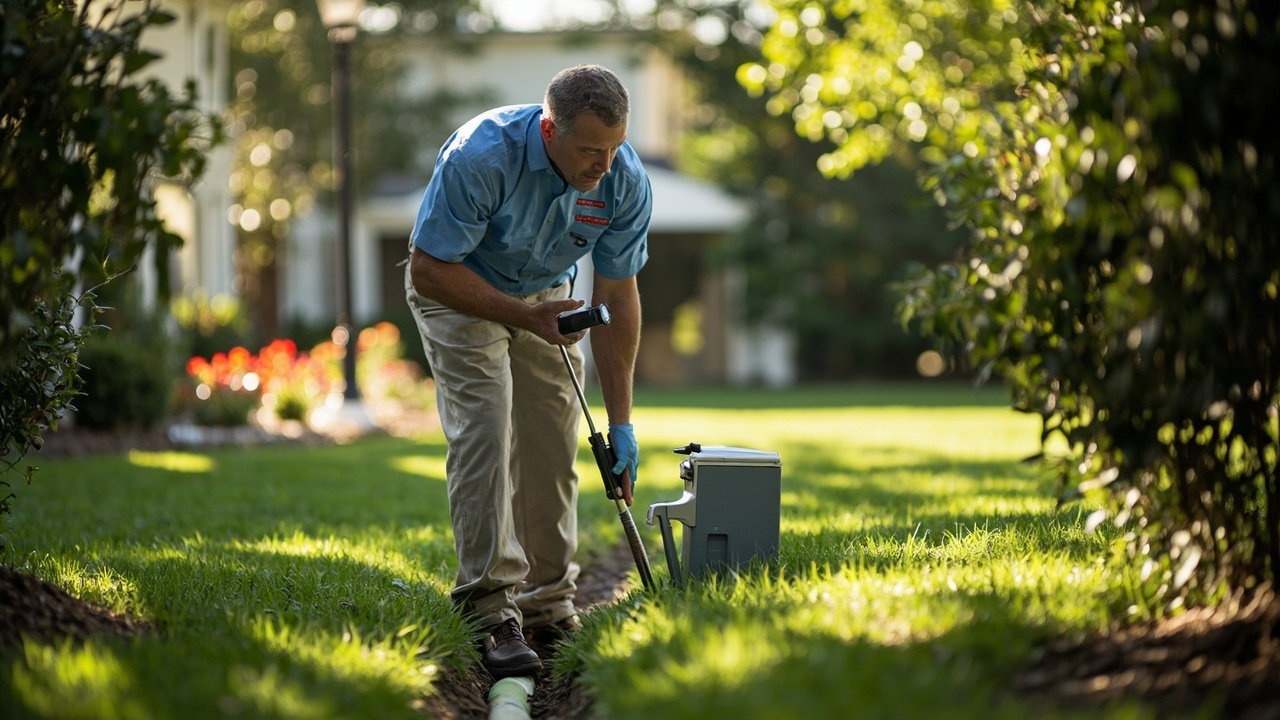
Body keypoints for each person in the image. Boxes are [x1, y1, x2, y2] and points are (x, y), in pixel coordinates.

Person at [404, 65, 651, 678]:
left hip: (547, 296)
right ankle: (489, 610)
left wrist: (621, 424)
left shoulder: (623, 179)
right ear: (549, 130)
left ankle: (547, 603)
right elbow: (427, 270)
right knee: (486, 431)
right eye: (590, 150)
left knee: (551, 444)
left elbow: (618, 296)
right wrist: (524, 316)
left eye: (615, 147)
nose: (604, 165)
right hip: (460, 290)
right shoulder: (481, 157)